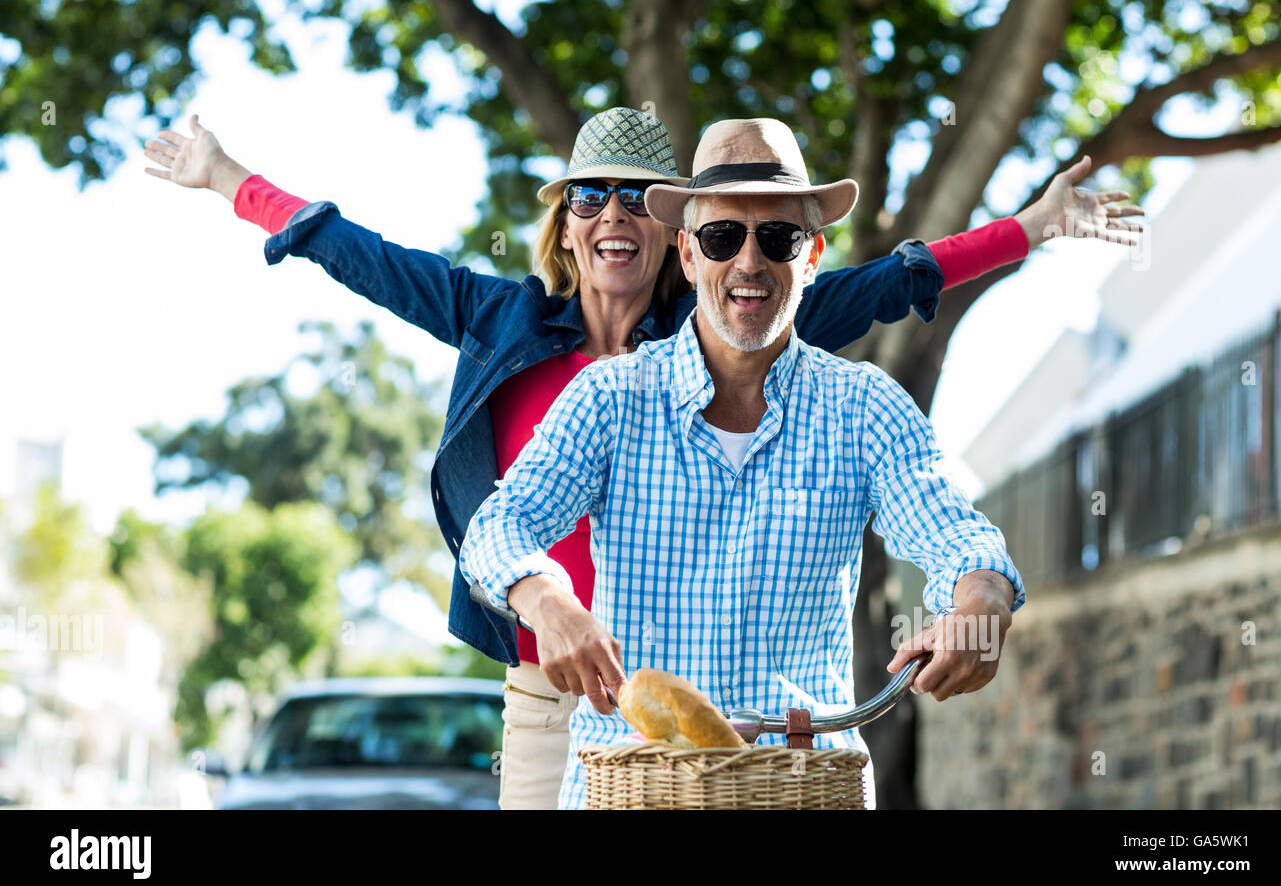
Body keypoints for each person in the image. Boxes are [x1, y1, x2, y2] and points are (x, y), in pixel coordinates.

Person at [143, 107, 1141, 808]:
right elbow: (358, 255)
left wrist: (1034, 229)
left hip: (790, 756)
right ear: (579, 225)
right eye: (590, 198)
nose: (613, 213)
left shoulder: (789, 339)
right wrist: (232, 180)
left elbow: (899, 290)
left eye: (633, 195)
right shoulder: (517, 331)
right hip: (572, 696)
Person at [458, 116, 1037, 809]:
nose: (750, 262)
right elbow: (498, 526)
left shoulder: (864, 406)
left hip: (802, 785)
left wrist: (980, 602)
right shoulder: (612, 396)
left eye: (779, 237)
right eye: (723, 236)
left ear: (814, 254)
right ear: (689, 254)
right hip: (632, 786)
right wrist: (546, 599)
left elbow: (955, 535)